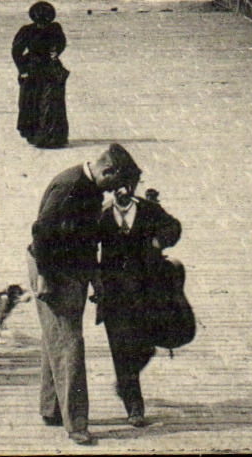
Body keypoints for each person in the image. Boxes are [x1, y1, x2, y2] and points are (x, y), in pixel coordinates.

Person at [28, 143, 139, 446]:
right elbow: (41, 234)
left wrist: (95, 280)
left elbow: (88, 240)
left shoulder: (92, 189)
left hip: (72, 269)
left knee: (57, 337)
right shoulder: (69, 187)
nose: (114, 192)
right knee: (70, 343)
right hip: (52, 269)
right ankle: (76, 423)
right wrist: (45, 279)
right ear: (107, 171)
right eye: (115, 184)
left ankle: (51, 409)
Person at [95, 180, 181, 428]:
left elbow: (173, 227)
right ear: (111, 190)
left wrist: (159, 241)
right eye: (117, 189)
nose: (122, 193)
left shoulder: (148, 209)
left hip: (147, 291)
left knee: (145, 346)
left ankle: (125, 383)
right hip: (114, 295)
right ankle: (134, 406)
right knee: (121, 349)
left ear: (133, 188)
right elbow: (88, 243)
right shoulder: (102, 213)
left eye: (127, 188)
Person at [12, 1, 69, 148]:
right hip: (32, 69)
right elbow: (16, 51)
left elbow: (61, 43)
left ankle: (53, 137)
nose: (43, 24)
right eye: (40, 21)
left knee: (51, 103)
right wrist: (22, 70)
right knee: (30, 103)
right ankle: (36, 136)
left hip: (50, 69)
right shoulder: (27, 30)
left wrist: (56, 52)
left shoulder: (55, 28)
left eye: (46, 21)